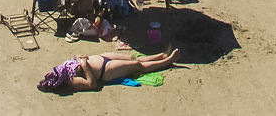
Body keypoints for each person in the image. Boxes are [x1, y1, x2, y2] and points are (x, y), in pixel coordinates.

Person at [37, 47, 185, 93]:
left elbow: (74, 58)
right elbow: (92, 84)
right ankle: (167, 61)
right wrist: (85, 66)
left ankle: (157, 55)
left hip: (101, 58)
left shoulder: (62, 69)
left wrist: (79, 57)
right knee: (137, 66)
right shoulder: (71, 81)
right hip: (105, 71)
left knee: (133, 58)